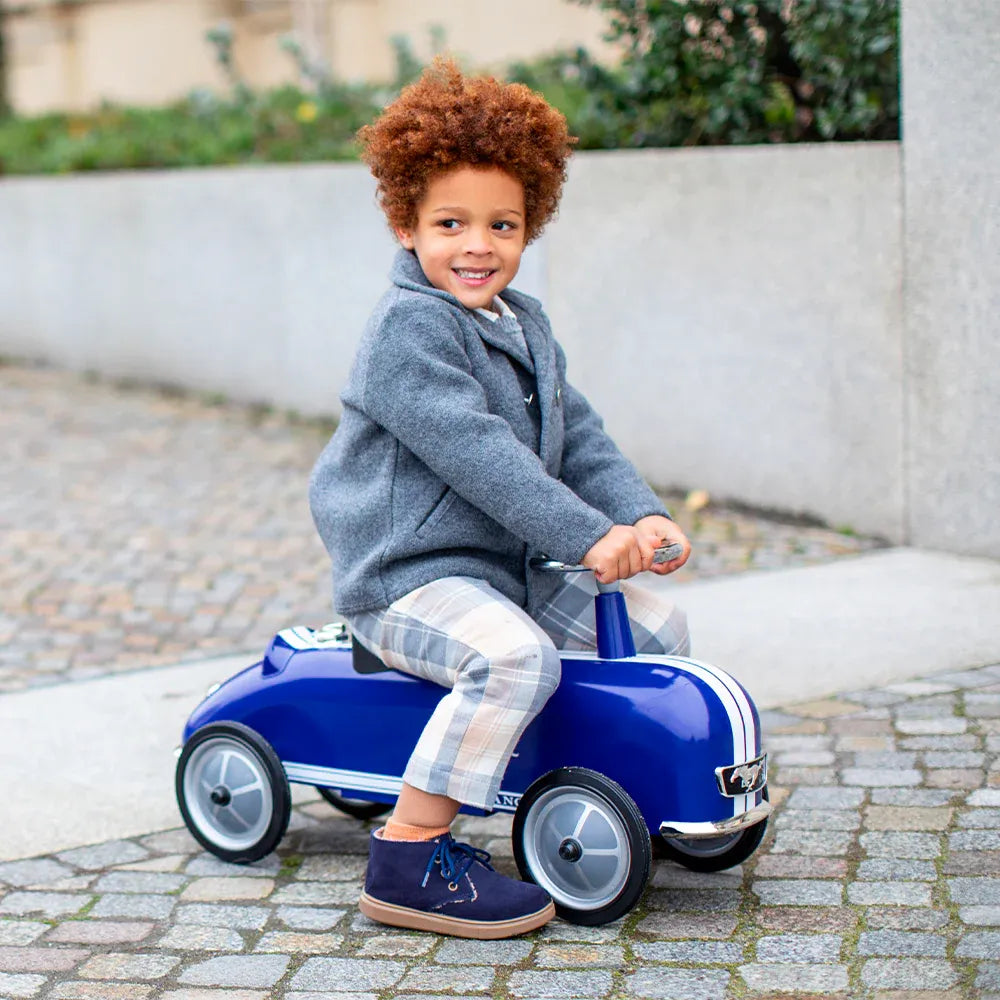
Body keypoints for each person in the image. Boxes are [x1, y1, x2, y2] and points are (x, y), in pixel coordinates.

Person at [309, 59, 691, 939]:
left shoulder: (522, 320)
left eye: (501, 224)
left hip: (500, 571)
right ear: (406, 225)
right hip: (408, 577)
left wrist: (639, 514)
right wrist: (588, 535)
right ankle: (410, 854)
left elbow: (579, 433)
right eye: (450, 223)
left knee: (656, 630)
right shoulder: (409, 331)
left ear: (531, 225)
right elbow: (484, 461)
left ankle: (599, 791)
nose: (476, 244)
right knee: (513, 659)